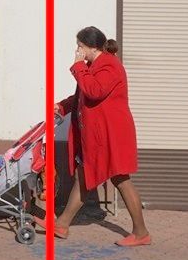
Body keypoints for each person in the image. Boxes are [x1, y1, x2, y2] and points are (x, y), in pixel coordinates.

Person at [36, 26, 151, 247]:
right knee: (84, 177)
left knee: (120, 179)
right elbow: (83, 95)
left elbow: (95, 91)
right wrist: (63, 106)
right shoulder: (94, 66)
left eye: (80, 46)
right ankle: (62, 225)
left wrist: (78, 66)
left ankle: (141, 232)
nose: (78, 51)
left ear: (92, 47)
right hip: (99, 135)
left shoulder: (109, 66)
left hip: (111, 134)